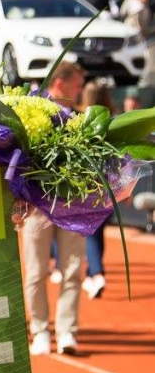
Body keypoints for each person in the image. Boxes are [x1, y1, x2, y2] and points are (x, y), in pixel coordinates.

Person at [22, 61, 87, 356]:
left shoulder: (80, 119)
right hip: (37, 208)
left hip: (73, 206)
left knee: (73, 270)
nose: (80, 90)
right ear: (60, 84)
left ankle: (66, 332)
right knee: (36, 272)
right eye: (77, 85)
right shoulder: (31, 111)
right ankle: (39, 331)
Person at [78, 81, 116, 300]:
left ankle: (97, 273)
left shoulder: (81, 122)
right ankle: (92, 273)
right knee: (98, 233)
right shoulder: (113, 122)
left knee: (90, 233)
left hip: (87, 188)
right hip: (110, 188)